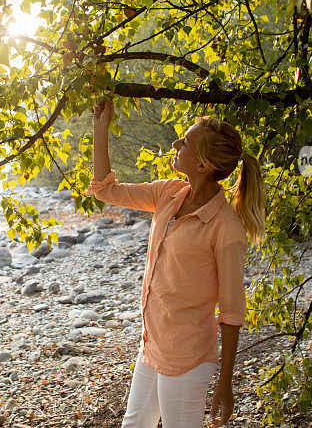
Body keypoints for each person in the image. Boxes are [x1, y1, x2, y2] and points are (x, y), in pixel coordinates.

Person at [87, 99, 266, 428]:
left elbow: (231, 311)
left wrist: (225, 383)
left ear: (202, 165)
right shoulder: (169, 193)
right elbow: (105, 189)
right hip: (152, 345)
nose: (175, 143)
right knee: (134, 424)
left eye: (184, 142)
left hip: (187, 358)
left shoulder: (226, 227)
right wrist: (101, 129)